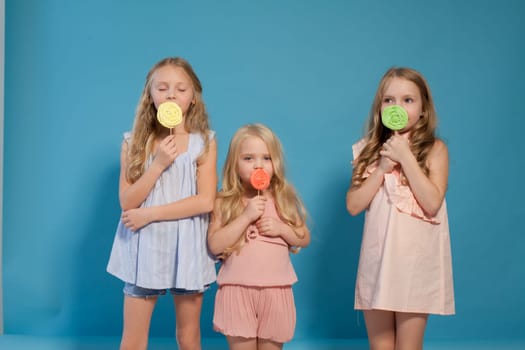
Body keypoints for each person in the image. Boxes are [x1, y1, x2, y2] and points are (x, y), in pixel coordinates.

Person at [106, 57, 217, 350]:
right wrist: (158, 165)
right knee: (133, 339)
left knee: (189, 336)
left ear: (193, 98)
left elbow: (205, 201)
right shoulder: (133, 143)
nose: (171, 95)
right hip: (145, 249)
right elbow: (128, 201)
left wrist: (150, 214)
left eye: (181, 89)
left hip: (187, 249)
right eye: (163, 88)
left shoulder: (204, 142)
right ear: (150, 96)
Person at [346, 67, 455, 350]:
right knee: (380, 346)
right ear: (379, 107)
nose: (398, 106)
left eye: (408, 100)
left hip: (415, 264)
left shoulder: (435, 150)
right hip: (378, 260)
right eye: (389, 100)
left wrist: (406, 157)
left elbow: (432, 204)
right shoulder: (366, 149)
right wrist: (381, 167)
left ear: (423, 109)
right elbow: (354, 205)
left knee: (408, 345)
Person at [207, 123, 311, 350]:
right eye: (248, 158)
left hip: (276, 290)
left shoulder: (283, 198)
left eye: (266, 158)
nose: (258, 165)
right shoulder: (223, 201)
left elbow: (303, 237)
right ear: (234, 163)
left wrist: (282, 229)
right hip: (236, 291)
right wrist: (245, 217)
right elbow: (214, 245)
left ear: (276, 162)